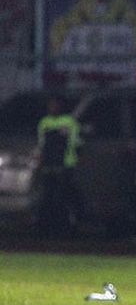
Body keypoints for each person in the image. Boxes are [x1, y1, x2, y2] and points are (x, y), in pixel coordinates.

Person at [36, 96, 81, 235]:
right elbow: (41, 144)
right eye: (51, 105)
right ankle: (47, 226)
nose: (53, 108)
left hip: (66, 164)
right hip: (49, 165)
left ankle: (68, 226)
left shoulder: (69, 122)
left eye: (55, 105)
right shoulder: (44, 122)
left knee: (65, 195)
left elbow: (76, 142)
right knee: (48, 196)